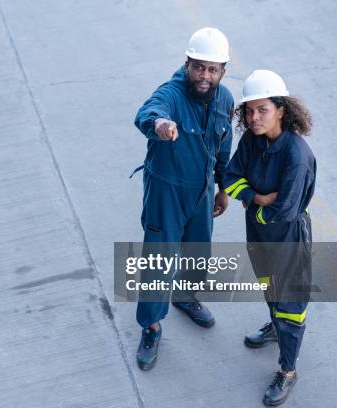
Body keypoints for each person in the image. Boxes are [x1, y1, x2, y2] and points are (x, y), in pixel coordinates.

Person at [131, 27, 234, 371]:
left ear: (223, 71)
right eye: (198, 67)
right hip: (167, 190)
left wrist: (222, 187)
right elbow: (149, 111)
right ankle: (151, 325)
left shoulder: (224, 99)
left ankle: (186, 297)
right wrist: (159, 124)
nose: (204, 76)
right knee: (159, 259)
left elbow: (223, 146)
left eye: (212, 69)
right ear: (187, 63)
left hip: (202, 189)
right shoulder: (172, 95)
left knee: (198, 249)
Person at [223, 70, 315, 406]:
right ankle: (275, 326)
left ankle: (288, 371)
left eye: (262, 109)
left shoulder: (297, 156)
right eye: (249, 110)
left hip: (288, 237)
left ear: (281, 110)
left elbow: (286, 209)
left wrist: (256, 208)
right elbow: (231, 176)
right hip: (260, 233)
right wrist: (258, 198)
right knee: (270, 288)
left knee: (290, 306)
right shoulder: (252, 140)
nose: (253, 117)